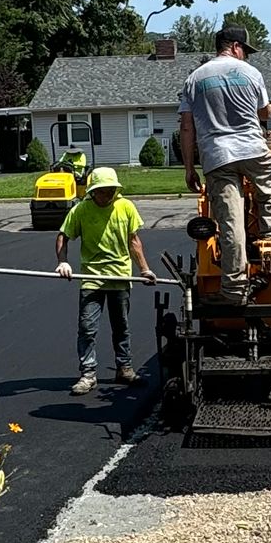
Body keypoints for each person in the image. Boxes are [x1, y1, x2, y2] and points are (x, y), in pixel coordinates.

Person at [179, 22, 271, 304]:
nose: (245, 56)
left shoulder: (194, 79)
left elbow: (186, 128)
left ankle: (234, 290)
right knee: (268, 195)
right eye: (244, 50)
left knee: (231, 223)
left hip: (217, 156)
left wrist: (189, 169)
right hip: (253, 149)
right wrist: (267, 110)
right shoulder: (251, 73)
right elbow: (263, 113)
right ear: (235, 47)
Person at [56, 165, 153, 396]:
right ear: (93, 191)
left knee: (121, 326)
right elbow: (63, 236)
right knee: (87, 328)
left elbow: (134, 241)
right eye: (103, 190)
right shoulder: (81, 210)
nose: (108, 194)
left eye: (111, 190)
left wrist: (145, 270)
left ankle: (124, 368)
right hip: (91, 278)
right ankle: (88, 374)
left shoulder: (126, 207)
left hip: (120, 275)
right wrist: (63, 262)